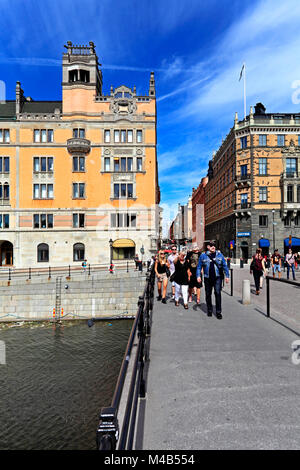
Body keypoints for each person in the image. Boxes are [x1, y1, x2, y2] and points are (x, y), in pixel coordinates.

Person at [196, 241, 229, 319]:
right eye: (211, 246)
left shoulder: (220, 255)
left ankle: (218, 312)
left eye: (214, 245)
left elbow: (224, 266)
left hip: (217, 278)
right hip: (207, 278)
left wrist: (227, 276)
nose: (213, 247)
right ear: (208, 247)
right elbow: (199, 267)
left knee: (217, 293)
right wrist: (198, 276)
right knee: (208, 294)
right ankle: (209, 310)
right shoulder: (203, 256)